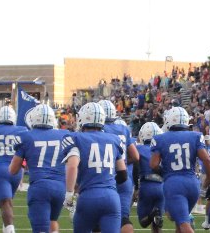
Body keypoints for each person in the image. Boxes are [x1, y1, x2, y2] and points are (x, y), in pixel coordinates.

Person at [63, 102, 128, 233]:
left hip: (88, 196)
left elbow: (72, 166)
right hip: (112, 198)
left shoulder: (76, 138)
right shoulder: (114, 139)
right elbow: (123, 175)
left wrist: (70, 193)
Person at [149, 106, 210, 233]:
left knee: (183, 224)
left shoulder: (160, 138)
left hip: (174, 184)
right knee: (180, 223)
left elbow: (153, 164)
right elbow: (206, 159)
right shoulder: (196, 136)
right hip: (193, 183)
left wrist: (164, 172)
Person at [10, 105, 71, 233]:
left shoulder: (26, 137)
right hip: (60, 188)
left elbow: (13, 170)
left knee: (40, 229)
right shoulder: (64, 135)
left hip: (40, 187)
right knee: (53, 221)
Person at [97, 100, 139, 233]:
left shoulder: (99, 130)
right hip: (124, 178)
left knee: (97, 219)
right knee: (123, 218)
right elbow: (136, 156)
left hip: (105, 178)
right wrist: (122, 163)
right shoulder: (124, 129)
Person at [132, 122, 165, 232]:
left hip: (147, 185)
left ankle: (151, 215)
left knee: (143, 222)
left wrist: (136, 187)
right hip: (162, 186)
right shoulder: (163, 149)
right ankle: (154, 215)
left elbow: (135, 168)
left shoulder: (139, 148)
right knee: (157, 225)